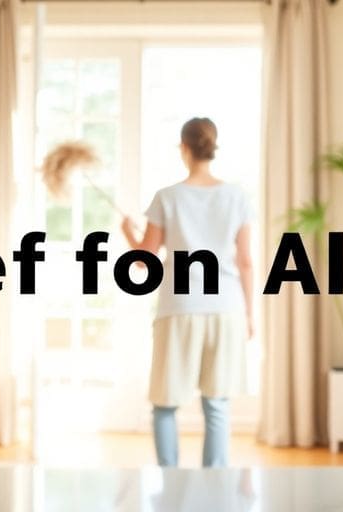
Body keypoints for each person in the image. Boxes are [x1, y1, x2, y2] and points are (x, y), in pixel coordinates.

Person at [120, 117, 255, 468]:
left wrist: (129, 234)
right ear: (212, 147)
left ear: (184, 148)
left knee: (165, 404)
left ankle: (170, 483)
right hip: (226, 308)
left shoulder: (167, 198)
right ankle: (214, 489)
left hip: (179, 307)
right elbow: (246, 262)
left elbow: (144, 262)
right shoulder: (237, 196)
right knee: (217, 404)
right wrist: (250, 314)